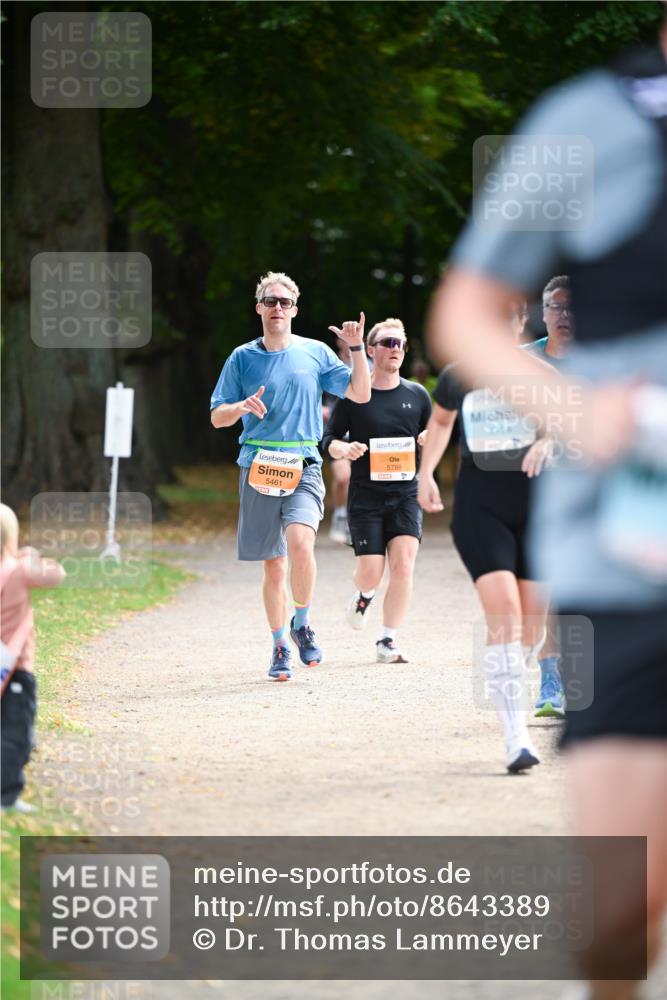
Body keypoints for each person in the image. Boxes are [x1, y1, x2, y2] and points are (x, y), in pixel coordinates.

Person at [428, 33, 667, 1000]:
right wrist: (576, 410)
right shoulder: (589, 120)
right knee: (620, 912)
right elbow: (464, 317)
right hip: (630, 554)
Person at [210, 271, 371, 681]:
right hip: (259, 465)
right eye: (270, 301)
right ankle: (280, 643)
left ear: (295, 309)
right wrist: (242, 407)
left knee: (301, 543)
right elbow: (216, 417)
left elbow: (360, 393)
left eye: (284, 302)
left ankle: (302, 621)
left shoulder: (315, 352)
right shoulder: (241, 358)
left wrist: (355, 348)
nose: (277, 307)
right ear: (259, 307)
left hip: (303, 463)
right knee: (275, 565)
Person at [419, 298, 552, 772]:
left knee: (531, 627)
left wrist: (547, 440)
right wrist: (425, 474)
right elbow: (439, 423)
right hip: (480, 506)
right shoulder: (459, 374)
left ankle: (517, 673)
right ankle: (517, 740)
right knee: (504, 613)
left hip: (538, 507)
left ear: (519, 324)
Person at [321, 318, 431, 663]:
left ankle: (387, 640)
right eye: (387, 343)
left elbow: (438, 434)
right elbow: (329, 440)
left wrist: (430, 439)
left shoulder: (417, 395)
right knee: (371, 571)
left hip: (405, 495)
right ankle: (364, 595)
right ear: (370, 350)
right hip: (366, 495)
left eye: (399, 343)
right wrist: (343, 449)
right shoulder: (355, 395)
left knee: (403, 565)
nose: (394, 349)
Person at [1, 503, 66, 812]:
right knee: (16, 733)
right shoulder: (18, 568)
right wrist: (29, 555)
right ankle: (6, 795)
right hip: (14, 668)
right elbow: (56, 574)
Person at [322, 334, 353, 545]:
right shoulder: (329, 366)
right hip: (338, 433)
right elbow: (311, 393)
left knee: (359, 480)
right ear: (338, 342)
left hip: (364, 432)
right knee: (343, 478)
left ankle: (355, 519)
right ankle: (340, 514)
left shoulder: (370, 365)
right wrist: (321, 409)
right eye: (344, 338)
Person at [526, 274, 574, 361]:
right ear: (544, 314)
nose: (564, 315)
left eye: (572, 307)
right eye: (556, 307)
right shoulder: (521, 357)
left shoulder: (602, 360)